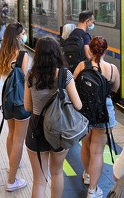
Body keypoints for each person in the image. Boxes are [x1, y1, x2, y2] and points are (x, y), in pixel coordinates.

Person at [24, 36, 82, 198]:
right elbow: (78, 105)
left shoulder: (30, 75)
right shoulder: (65, 75)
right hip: (60, 128)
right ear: (57, 53)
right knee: (57, 173)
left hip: (36, 128)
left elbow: (27, 107)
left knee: (39, 180)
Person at [73, 36, 120, 198]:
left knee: (85, 144)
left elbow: (73, 84)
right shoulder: (112, 69)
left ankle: (87, 173)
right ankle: (93, 190)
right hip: (103, 112)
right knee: (97, 151)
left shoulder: (81, 65)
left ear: (90, 50)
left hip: (84, 112)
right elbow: (115, 89)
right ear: (105, 50)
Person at [0, 22, 30, 192]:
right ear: (17, 36)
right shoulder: (22, 55)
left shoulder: (1, 55)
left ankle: (12, 164)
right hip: (20, 102)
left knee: (11, 134)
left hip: (6, 102)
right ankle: (11, 181)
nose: (25, 35)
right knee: (19, 140)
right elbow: (26, 83)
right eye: (23, 33)